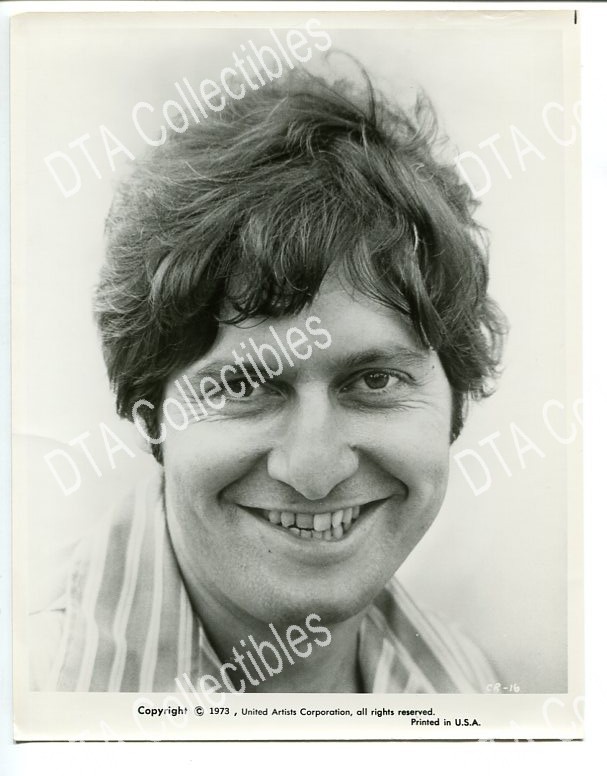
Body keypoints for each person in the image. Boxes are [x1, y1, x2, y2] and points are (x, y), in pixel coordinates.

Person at [31, 64, 507, 694]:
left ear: (455, 404)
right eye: (242, 388)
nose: (314, 472)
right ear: (151, 419)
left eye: (376, 381)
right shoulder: (30, 689)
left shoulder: (471, 690)